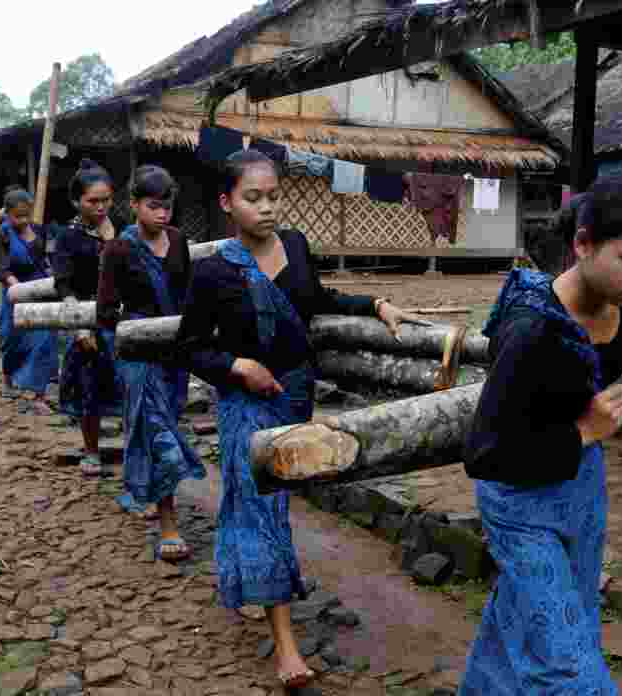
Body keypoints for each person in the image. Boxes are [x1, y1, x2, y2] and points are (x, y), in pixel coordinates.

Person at [175, 149, 425, 689]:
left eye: (273, 197)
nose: (267, 208)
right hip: (246, 404)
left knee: (252, 502)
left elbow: (318, 298)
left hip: (293, 398)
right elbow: (190, 349)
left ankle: (244, 579)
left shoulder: (295, 247)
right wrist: (237, 366)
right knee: (264, 509)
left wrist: (377, 304)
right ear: (226, 203)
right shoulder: (214, 273)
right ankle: (287, 644)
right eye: (253, 198)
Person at [458, 170, 622, 696]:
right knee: (569, 665)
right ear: (582, 244)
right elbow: (484, 454)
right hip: (519, 505)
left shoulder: (619, 305)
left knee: (529, 619)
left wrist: (584, 436)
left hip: (579, 489)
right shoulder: (533, 332)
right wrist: (582, 431)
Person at [97, 164, 203, 558]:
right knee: (158, 433)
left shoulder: (178, 242)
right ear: (135, 205)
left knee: (160, 425)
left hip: (173, 354)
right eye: (154, 206)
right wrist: (138, 327)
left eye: (167, 207)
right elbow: (106, 312)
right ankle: (169, 524)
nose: (162, 214)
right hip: (139, 355)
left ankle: (142, 488)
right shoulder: (119, 249)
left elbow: (190, 295)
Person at [53, 159, 125, 477]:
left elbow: (129, 269)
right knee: (88, 387)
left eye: (105, 200)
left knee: (130, 385)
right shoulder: (68, 238)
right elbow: (64, 284)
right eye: (92, 201)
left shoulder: (121, 228)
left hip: (124, 320)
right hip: (87, 321)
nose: (100, 207)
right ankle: (92, 451)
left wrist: (111, 239)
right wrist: (80, 327)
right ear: (76, 201)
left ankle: (135, 450)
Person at [0, 189, 59, 396]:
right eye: (17, 216)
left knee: (44, 339)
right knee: (12, 339)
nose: (23, 220)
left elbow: (48, 260)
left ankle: (38, 391)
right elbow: (1, 268)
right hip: (14, 291)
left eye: (26, 215)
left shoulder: (39, 231)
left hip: (40, 291)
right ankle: (8, 379)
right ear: (7, 214)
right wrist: (18, 288)